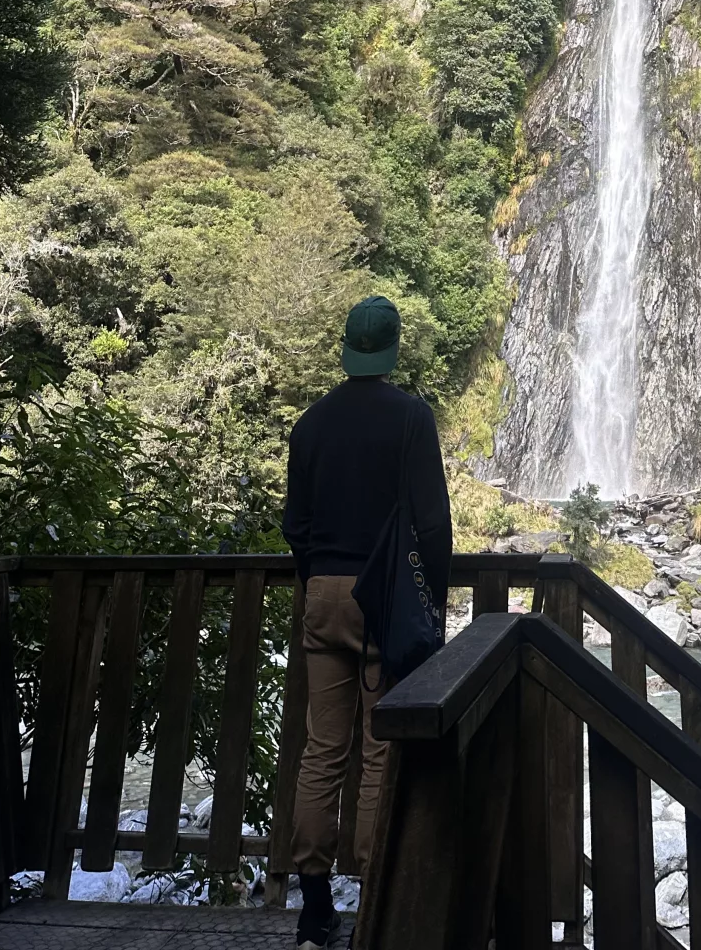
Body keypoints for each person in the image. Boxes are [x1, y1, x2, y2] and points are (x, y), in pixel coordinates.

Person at [282, 294, 452, 950]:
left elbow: (295, 525)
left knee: (322, 749)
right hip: (384, 597)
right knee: (381, 750)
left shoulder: (311, 424)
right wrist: (430, 605)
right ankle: (375, 900)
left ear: (347, 348)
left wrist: (317, 580)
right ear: (393, 349)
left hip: (323, 592)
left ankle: (313, 911)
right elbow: (432, 524)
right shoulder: (411, 417)